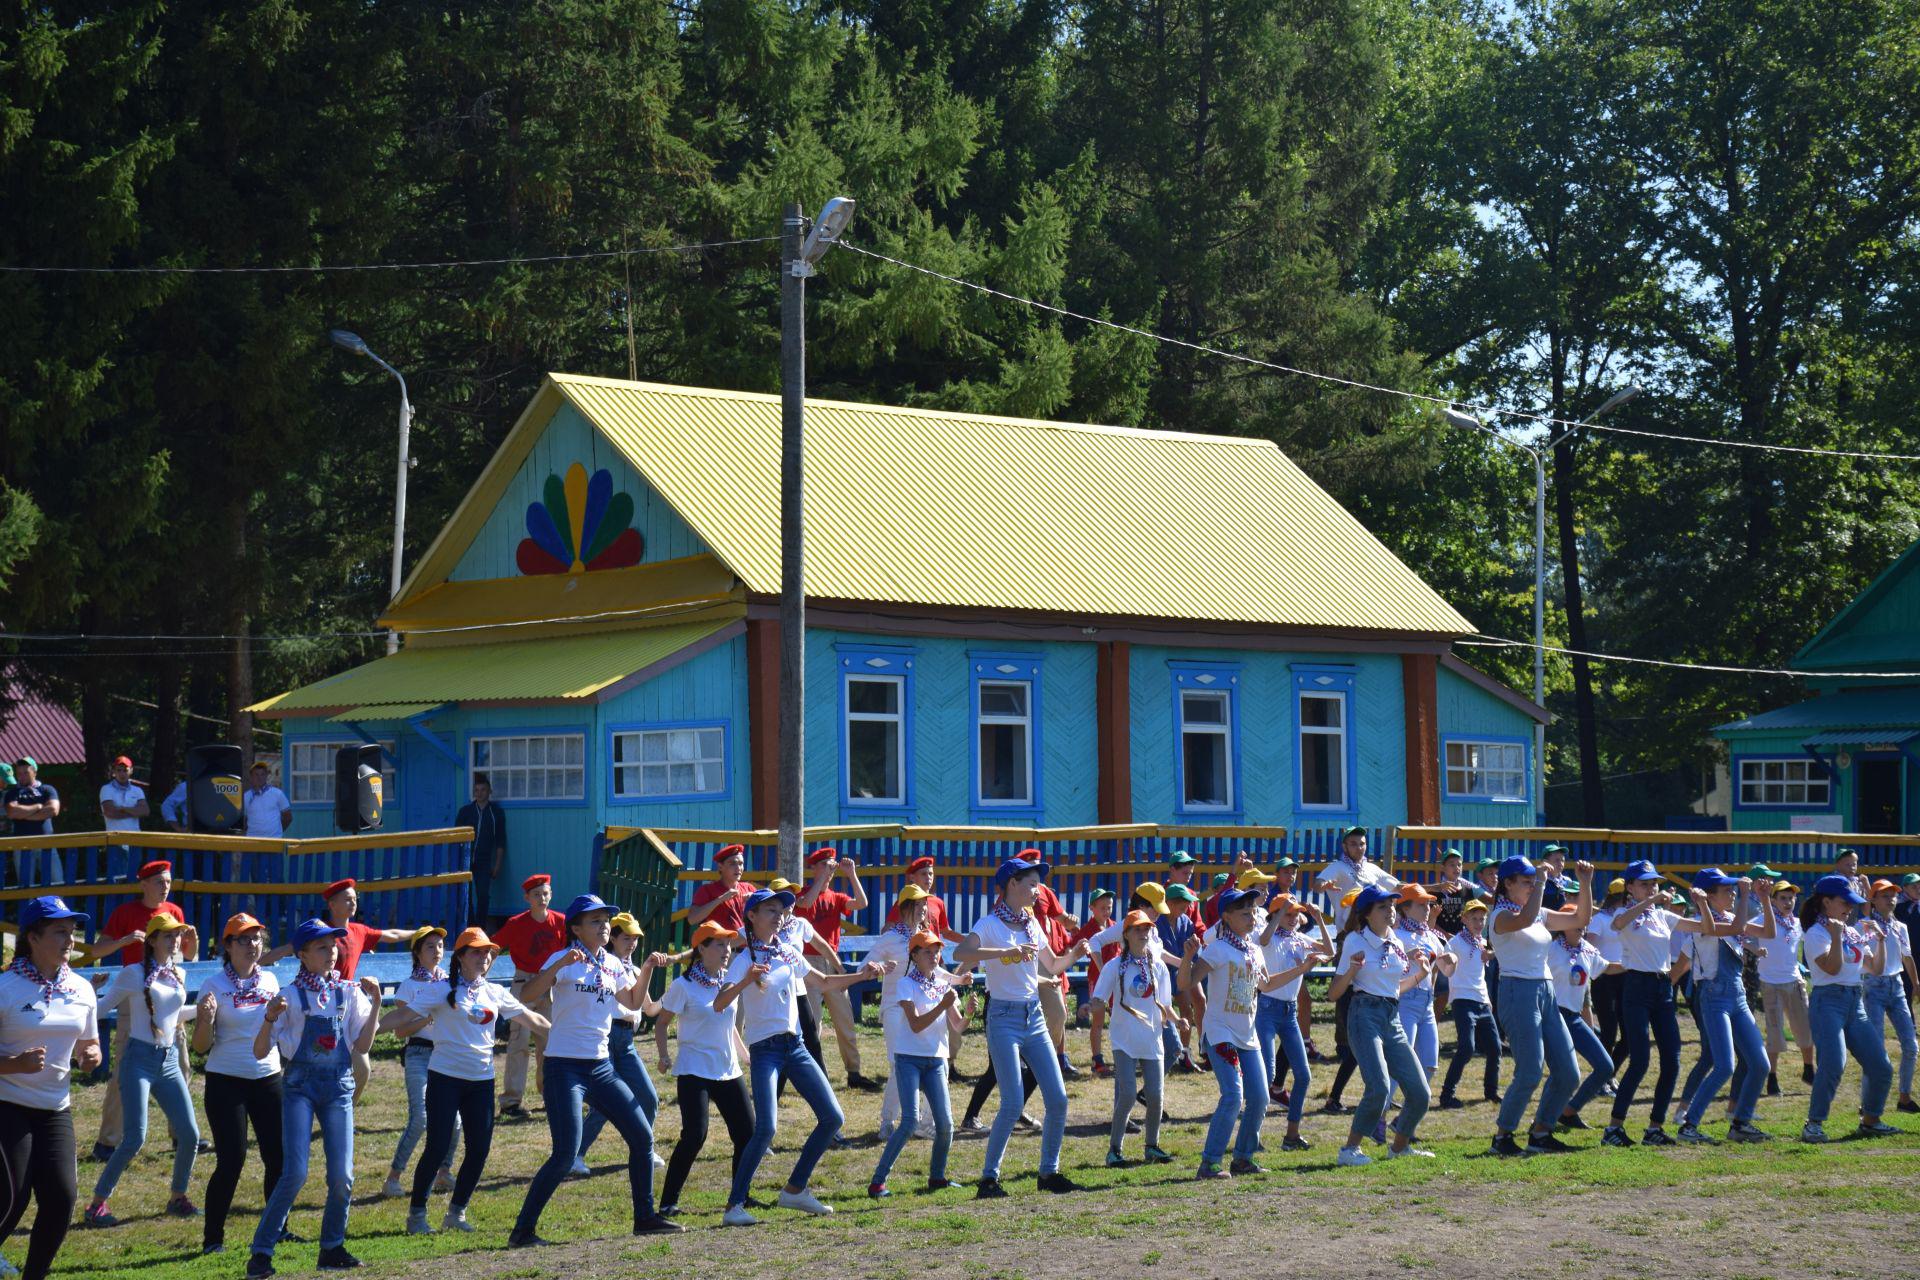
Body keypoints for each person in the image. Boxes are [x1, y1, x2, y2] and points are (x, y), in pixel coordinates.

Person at [509, 893, 679, 1247]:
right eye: (595, 921)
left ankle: (644, 1218)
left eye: (606, 921)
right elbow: (527, 995)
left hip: (600, 1066)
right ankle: (522, 1231)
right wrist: (556, 968)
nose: (604, 927)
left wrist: (645, 968)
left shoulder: (613, 964)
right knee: (566, 1153)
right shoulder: (563, 958)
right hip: (564, 1068)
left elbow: (633, 1002)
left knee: (642, 1136)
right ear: (576, 928)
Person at [726, 887, 887, 1217]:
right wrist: (744, 981)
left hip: (794, 1046)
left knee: (833, 1118)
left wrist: (863, 975)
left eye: (779, 910)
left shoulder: (786, 951)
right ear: (751, 917)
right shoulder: (743, 959)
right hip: (765, 1050)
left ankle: (795, 1190)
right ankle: (735, 1204)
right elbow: (720, 1001)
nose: (777, 916)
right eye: (769, 910)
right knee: (766, 1128)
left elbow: (824, 982)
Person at [388, 926, 548, 1236]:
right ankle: (417, 1216)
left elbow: (534, 1020)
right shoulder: (439, 990)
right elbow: (401, 1018)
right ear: (460, 957)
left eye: (488, 952)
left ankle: (456, 1213)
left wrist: (562, 1036)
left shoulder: (495, 992)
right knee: (436, 1148)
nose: (484, 956)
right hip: (444, 1078)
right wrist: (366, 1033)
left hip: (481, 1082)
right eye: (476, 951)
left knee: (479, 1149)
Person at [246, 918, 384, 1278]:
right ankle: (261, 1253)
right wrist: (267, 1018)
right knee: (295, 1173)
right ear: (302, 955)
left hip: (338, 1087)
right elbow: (261, 1051)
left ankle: (331, 1247)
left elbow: (364, 1045)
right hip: (300, 1089)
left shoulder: (348, 992)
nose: (332, 951)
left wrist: (378, 1003)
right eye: (322, 947)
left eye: (334, 946)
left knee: (342, 1176)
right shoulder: (289, 997)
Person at [955, 856, 1089, 1198]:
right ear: (1011, 884)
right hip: (1002, 1017)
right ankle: (989, 1179)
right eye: (1031, 883)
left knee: (1058, 1100)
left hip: (1034, 1016)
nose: (1037, 889)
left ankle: (1049, 1173)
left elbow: (1054, 964)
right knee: (1012, 1102)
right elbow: (961, 953)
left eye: (1038, 883)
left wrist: (1074, 953)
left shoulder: (1032, 923)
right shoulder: (989, 924)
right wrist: (1005, 950)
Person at [0, 896, 102, 1280]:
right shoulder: (5, 988)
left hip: (56, 1108)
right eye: (59, 931)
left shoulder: (81, 989)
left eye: (72, 931)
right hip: (6, 1103)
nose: (69, 940)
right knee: (12, 1199)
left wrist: (90, 1056)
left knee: (61, 1200)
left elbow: (88, 1044)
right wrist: (15, 1065)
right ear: (33, 936)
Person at [81, 913, 200, 1226]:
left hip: (169, 1059)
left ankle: (177, 1197)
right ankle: (96, 1205)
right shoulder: (133, 974)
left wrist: (202, 1009)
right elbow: (102, 1011)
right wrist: (90, 995)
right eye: (167, 936)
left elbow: (171, 1019)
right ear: (152, 940)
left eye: (177, 936)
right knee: (134, 1138)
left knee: (189, 1134)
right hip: (138, 1059)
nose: (175, 941)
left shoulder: (179, 974)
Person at [1487, 855, 1596, 1157]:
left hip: (1546, 991)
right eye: (1525, 881)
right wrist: (1542, 883)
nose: (1531, 886)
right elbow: (1522, 920)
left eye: (1531, 881)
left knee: (1568, 1072)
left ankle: (1541, 1132)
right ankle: (1503, 1136)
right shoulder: (1499, 915)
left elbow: (1580, 920)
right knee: (1530, 1071)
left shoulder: (1538, 912)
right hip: (1517, 991)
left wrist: (1585, 884)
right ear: (1506, 884)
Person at [86, 859, 193, 1163]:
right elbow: (96, 951)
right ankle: (107, 1143)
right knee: (125, 1071)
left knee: (181, 1068)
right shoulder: (125, 913)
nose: (165, 887)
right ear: (143, 884)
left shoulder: (175, 913)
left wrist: (192, 944)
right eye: (160, 882)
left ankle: (180, 1135)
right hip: (134, 1002)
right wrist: (123, 940)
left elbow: (183, 958)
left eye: (168, 882)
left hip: (169, 1002)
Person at [265, 879, 412, 1099]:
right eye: (347, 899)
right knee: (315, 1066)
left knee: (362, 1069)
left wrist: (418, 932)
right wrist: (258, 962)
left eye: (355, 899)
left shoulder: (359, 931)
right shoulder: (318, 932)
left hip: (347, 1010)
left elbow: (391, 935)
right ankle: (316, 1104)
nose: (353, 903)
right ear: (332, 904)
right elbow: (289, 948)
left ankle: (343, 1108)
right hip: (316, 1007)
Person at [648, 922, 756, 1222]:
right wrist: (663, 1055)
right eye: (719, 945)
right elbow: (661, 1023)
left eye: (728, 945)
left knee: (747, 1135)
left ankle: (740, 1196)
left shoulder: (727, 980)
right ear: (701, 949)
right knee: (695, 1135)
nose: (727, 951)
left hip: (728, 1070)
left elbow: (729, 1025)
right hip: (694, 1070)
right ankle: (668, 1203)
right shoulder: (683, 986)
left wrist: (746, 1056)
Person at [1182, 886, 1290, 1178]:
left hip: (1247, 1035)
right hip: (1220, 1033)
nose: (1251, 915)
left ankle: (1242, 1159)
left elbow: (1265, 985)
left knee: (1260, 1097)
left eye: (1253, 910)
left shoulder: (1255, 950)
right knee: (1233, 1095)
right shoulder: (1216, 949)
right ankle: (1210, 1163)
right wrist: (1187, 958)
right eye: (1244, 912)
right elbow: (1187, 982)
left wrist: (1303, 967)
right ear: (1226, 917)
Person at [192, 914, 283, 1258]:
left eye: (257, 938)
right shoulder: (213, 986)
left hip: (269, 1078)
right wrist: (204, 1020)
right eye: (243, 940)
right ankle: (213, 1238)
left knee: (278, 1158)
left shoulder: (271, 980)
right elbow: (201, 1046)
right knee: (232, 1159)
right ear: (227, 946)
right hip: (226, 1081)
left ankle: (278, 1229)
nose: (251, 946)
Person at [1325, 884, 1435, 1166]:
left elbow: (1394, 990)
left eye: (1392, 906)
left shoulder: (1396, 942)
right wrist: (1351, 969)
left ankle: (1398, 1148)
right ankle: (1349, 1151)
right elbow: (1333, 993)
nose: (1391, 911)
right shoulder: (1354, 940)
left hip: (1391, 1015)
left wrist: (1421, 973)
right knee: (1380, 1087)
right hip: (1364, 1014)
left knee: (1421, 1093)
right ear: (1367, 914)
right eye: (1383, 907)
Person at [1675, 871, 1775, 1143]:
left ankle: (1740, 1123)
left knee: (1760, 1063)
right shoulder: (1701, 923)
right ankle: (1689, 1125)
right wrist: (1745, 896)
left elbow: (1768, 932)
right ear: (1707, 896)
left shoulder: (1732, 918)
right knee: (1724, 1066)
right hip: (1714, 996)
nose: (1732, 894)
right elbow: (1737, 929)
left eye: (1733, 890)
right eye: (1726, 890)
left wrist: (1764, 900)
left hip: (1737, 996)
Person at [868, 929, 967, 1198]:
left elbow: (957, 1025)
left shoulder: (942, 984)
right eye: (927, 952)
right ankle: (878, 1182)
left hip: (936, 1059)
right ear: (914, 955)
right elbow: (915, 1025)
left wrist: (968, 1013)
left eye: (937, 952)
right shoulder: (905, 984)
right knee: (910, 1121)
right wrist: (943, 1005)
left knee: (945, 1124)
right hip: (909, 1058)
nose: (934, 956)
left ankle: (937, 1177)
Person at [1801, 875, 1898, 1142]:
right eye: (1844, 902)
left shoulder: (1851, 931)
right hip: (1827, 1001)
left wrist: (1879, 941)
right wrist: (1834, 937)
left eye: (1852, 903)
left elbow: (1876, 969)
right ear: (1826, 902)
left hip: (1855, 1002)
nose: (1850, 908)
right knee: (1833, 1063)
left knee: (1881, 1066)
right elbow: (1831, 969)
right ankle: (1814, 1123)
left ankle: (1870, 1120)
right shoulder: (1816, 933)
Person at [1602, 861, 1692, 1148]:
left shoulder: (1662, 916)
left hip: (1662, 986)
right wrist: (1652, 900)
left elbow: (1705, 928)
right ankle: (1614, 1128)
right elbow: (1618, 924)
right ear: (1629, 887)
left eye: (1654, 883)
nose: (1652, 887)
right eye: (1644, 883)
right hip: (1636, 987)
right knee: (1640, 1060)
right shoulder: (1623, 912)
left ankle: (1655, 1127)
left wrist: (1705, 906)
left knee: (1672, 1059)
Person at [1093, 910, 1181, 1166]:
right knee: (1128, 1094)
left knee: (1155, 1096)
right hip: (1124, 1040)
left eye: (1147, 929)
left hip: (1152, 1040)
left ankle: (1151, 1146)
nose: (1144, 934)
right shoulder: (1114, 966)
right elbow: (1099, 998)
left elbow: (1165, 1005)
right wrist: (1093, 1007)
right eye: (1138, 929)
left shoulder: (1159, 966)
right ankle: (1114, 1150)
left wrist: (1177, 1021)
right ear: (1127, 935)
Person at [576, 912, 662, 1172]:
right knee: (604, 1105)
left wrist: (678, 993)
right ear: (612, 938)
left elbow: (649, 1009)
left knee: (649, 1098)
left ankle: (642, 1149)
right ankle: (575, 1156)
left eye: (636, 938)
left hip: (626, 1042)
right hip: (607, 1036)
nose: (632, 943)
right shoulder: (606, 965)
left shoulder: (634, 970)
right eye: (626, 937)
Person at [376, 927, 457, 1200]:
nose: (437, 951)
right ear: (417, 953)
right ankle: (393, 1178)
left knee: (454, 1122)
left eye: (441, 945)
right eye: (430, 947)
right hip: (419, 1055)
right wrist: (427, 1017)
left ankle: (443, 1173)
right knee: (421, 1118)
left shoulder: (450, 982)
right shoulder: (409, 986)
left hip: (445, 1055)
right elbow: (401, 1031)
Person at [1252, 894, 1330, 1150]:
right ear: (1274, 915)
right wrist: (1278, 914)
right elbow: (1263, 938)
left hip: (1289, 1012)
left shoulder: (1298, 939)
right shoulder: (1269, 937)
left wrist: (1318, 919)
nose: (1294, 918)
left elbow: (1329, 951)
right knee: (1267, 1075)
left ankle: (1292, 1135)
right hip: (1266, 1008)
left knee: (1304, 1076)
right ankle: (1253, 1136)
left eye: (1296, 913)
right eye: (1288, 913)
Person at [794, 847, 875, 1090]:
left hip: (833, 962)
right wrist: (821, 879)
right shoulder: (803, 892)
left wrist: (851, 874)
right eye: (825, 865)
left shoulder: (837, 897)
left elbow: (861, 902)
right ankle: (812, 1074)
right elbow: (806, 904)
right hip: (809, 963)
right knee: (813, 1023)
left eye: (832, 865)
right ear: (814, 868)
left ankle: (854, 1072)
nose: (831, 870)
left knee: (845, 1020)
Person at [493, 874, 568, 1119]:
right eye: (536, 894)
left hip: (551, 985)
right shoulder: (516, 923)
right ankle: (511, 1101)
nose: (542, 898)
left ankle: (551, 1096)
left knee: (550, 1044)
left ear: (551, 894)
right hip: (523, 984)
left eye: (545, 893)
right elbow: (493, 947)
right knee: (518, 1042)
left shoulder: (561, 922)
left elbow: (570, 951)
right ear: (527, 898)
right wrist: (480, 973)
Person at [1545, 919, 1616, 1133]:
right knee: (1560, 1072)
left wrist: (1633, 965)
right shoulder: (1551, 948)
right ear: (1563, 925)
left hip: (1574, 1018)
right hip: (1553, 1015)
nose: (1583, 928)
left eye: (1584, 924)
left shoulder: (1588, 950)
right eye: (1577, 922)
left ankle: (1568, 1111)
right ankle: (1545, 1118)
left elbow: (1605, 967)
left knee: (1606, 1067)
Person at [1392, 884, 1453, 1103]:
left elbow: (1442, 969)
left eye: (1428, 903)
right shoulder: (1396, 935)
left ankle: (1406, 1116)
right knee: (1401, 1062)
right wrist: (1405, 955)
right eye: (1421, 904)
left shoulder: (1431, 936)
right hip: (1405, 1000)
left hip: (1426, 1001)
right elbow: (1387, 967)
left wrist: (1451, 962)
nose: (1428, 908)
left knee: (1430, 1063)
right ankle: (1379, 1115)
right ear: (1405, 909)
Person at [1437, 899, 1501, 1107]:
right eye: (1474, 918)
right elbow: (1445, 960)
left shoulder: (1481, 942)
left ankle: (1491, 1092)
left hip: (1482, 1002)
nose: (1479, 922)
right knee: (1466, 1047)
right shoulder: (1456, 942)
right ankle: (1447, 1095)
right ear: (1464, 919)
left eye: (1482, 919)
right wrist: (1448, 960)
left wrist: (1488, 1001)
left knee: (1495, 1048)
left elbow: (1480, 974)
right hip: (1463, 1000)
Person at [1753, 879, 1814, 1093]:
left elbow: (1813, 942)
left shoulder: (1797, 924)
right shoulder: (1762, 919)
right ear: (1773, 900)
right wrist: (1754, 950)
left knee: (1804, 1027)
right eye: (1783, 898)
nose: (1788, 902)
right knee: (1775, 1031)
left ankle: (1808, 1069)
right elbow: (1742, 936)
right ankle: (1772, 1077)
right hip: (1770, 983)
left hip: (1794, 981)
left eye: (1791, 898)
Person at [1863, 879, 1918, 1115]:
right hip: (1873, 987)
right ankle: (1867, 1103)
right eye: (1884, 895)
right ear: (1873, 900)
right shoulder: (1864, 926)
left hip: (1896, 986)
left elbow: (1907, 957)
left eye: (1893, 895)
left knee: (1911, 1045)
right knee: (1875, 1048)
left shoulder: (1900, 927)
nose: (1891, 899)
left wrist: (1915, 982)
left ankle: (1904, 1097)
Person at [1069, 889, 1120, 1078]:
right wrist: (1073, 932)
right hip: (1097, 979)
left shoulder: (1114, 926)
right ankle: (1097, 1060)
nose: (1106, 911)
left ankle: (1121, 1056)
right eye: (1102, 908)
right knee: (1098, 1021)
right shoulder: (1089, 929)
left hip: (1115, 979)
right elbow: (1073, 944)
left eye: (1109, 907)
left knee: (1118, 1018)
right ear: (1092, 908)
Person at [1314, 826, 1400, 930]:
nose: (1359, 848)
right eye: (1353, 844)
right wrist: (1324, 885)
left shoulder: (1371, 868)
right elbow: (1317, 885)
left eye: (1362, 844)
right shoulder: (1337, 867)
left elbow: (1398, 887)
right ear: (1345, 847)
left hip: (1374, 930)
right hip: (1348, 931)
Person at [1157, 883, 1203, 1070]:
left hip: (1178, 973)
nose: (1187, 906)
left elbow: (1192, 948)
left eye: (1188, 902)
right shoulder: (1157, 922)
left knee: (1186, 1009)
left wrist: (1194, 954)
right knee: (1161, 1014)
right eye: (1182, 902)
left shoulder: (1186, 922)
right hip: (1161, 975)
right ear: (1169, 903)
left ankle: (1184, 1052)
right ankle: (1162, 1049)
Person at [453, 774, 506, 928]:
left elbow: (500, 841)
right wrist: (456, 862)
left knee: (483, 895)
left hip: (484, 862)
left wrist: (497, 865)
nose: (479, 793)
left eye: (483, 789)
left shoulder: (496, 813)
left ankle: (480, 927)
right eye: (476, 790)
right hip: (465, 861)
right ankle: (469, 925)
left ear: (490, 791)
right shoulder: (465, 812)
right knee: (465, 895)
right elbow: (456, 838)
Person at [1589, 879, 1629, 1061]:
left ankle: (1609, 1074)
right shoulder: (1600, 920)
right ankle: (1603, 1076)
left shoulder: (1629, 919)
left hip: (1626, 977)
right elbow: (1588, 948)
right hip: (1604, 979)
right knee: (1609, 1031)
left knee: (1629, 1034)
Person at [687, 843, 752, 934]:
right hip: (721, 946)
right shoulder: (707, 890)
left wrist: (755, 901)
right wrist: (720, 899)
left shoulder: (748, 888)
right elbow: (692, 919)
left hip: (747, 946)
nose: (738, 868)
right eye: (732, 864)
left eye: (741, 864)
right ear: (720, 867)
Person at [98, 755, 147, 851]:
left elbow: (145, 811)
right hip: (115, 840)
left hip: (135, 840)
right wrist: (134, 811)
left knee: (135, 866)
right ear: (114, 772)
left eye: (125, 770)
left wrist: (123, 809)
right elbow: (110, 813)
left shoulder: (137, 790)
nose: (122, 773)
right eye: (119, 770)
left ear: (131, 771)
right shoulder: (106, 789)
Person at [3, 758, 59, 837]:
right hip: (21, 844)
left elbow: (53, 810)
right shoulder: (12, 792)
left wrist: (23, 816)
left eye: (26, 773)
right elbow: (12, 812)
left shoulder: (47, 789)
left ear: (34, 773)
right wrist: (38, 807)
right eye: (19, 773)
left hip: (47, 844)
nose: (22, 776)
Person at [240, 762, 290, 838]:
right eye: (256, 774)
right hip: (252, 842)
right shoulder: (246, 796)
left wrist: (277, 832)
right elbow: (244, 820)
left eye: (262, 774)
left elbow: (288, 817)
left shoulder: (277, 793)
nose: (260, 777)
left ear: (266, 776)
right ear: (251, 777)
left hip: (273, 841)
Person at [1431, 850, 1475, 936]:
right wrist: (1446, 935)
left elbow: (1472, 916)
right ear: (1443, 867)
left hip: (1463, 938)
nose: (1457, 868)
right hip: (1440, 939)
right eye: (1452, 865)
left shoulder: (1467, 890)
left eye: (1459, 865)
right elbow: (1430, 918)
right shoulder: (1435, 891)